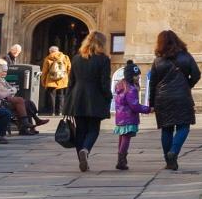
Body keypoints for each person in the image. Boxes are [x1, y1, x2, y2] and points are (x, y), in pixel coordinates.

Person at [148, 30, 202, 172]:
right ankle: (174, 151)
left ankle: (169, 160)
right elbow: (196, 74)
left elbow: (152, 83)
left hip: (162, 98)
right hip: (182, 97)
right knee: (184, 126)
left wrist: (151, 104)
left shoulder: (157, 60)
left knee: (166, 129)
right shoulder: (186, 56)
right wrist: (187, 85)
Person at [64, 32, 113, 173]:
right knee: (93, 129)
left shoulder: (76, 58)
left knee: (80, 130)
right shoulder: (103, 59)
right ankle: (85, 150)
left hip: (77, 97)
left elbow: (71, 81)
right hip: (95, 97)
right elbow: (104, 82)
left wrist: (68, 101)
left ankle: (82, 159)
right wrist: (108, 96)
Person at [0, 57, 43, 133]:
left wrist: (11, 90)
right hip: (2, 102)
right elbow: (0, 95)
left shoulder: (1, 79)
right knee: (21, 101)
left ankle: (28, 126)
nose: (4, 73)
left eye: (5, 71)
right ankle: (26, 125)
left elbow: (11, 88)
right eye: (2, 71)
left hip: (7, 99)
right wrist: (10, 91)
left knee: (28, 103)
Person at [112, 61, 144, 172]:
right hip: (129, 117)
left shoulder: (120, 85)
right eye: (136, 76)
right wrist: (148, 109)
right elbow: (135, 106)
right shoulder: (131, 88)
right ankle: (121, 161)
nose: (138, 78)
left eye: (138, 75)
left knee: (122, 137)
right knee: (126, 138)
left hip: (120, 117)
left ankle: (121, 159)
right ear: (131, 76)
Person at [40, 45, 71, 116]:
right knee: (61, 95)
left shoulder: (48, 58)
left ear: (50, 51)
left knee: (51, 96)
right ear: (58, 50)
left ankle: (52, 112)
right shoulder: (65, 57)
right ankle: (60, 111)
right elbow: (69, 69)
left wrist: (43, 81)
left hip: (51, 80)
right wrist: (67, 78)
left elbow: (44, 71)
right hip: (62, 79)